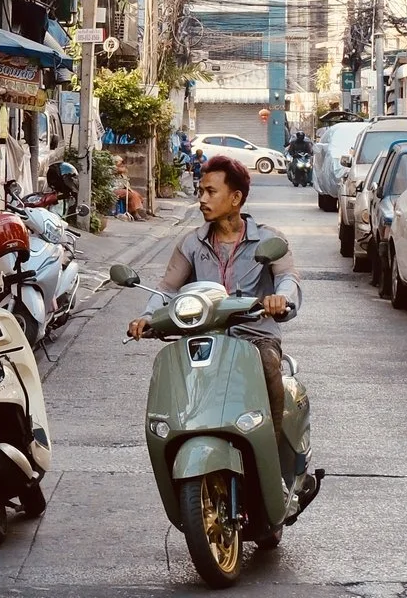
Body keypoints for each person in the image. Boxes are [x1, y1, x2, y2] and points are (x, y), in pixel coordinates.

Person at [127, 155, 302, 473]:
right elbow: (167, 288)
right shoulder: (191, 243)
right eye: (201, 191)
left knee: (267, 366)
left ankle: (273, 463)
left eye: (211, 192)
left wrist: (280, 299)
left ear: (236, 198)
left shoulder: (268, 239)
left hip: (254, 337)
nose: (202, 199)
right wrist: (147, 316)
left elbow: (288, 278)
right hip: (203, 339)